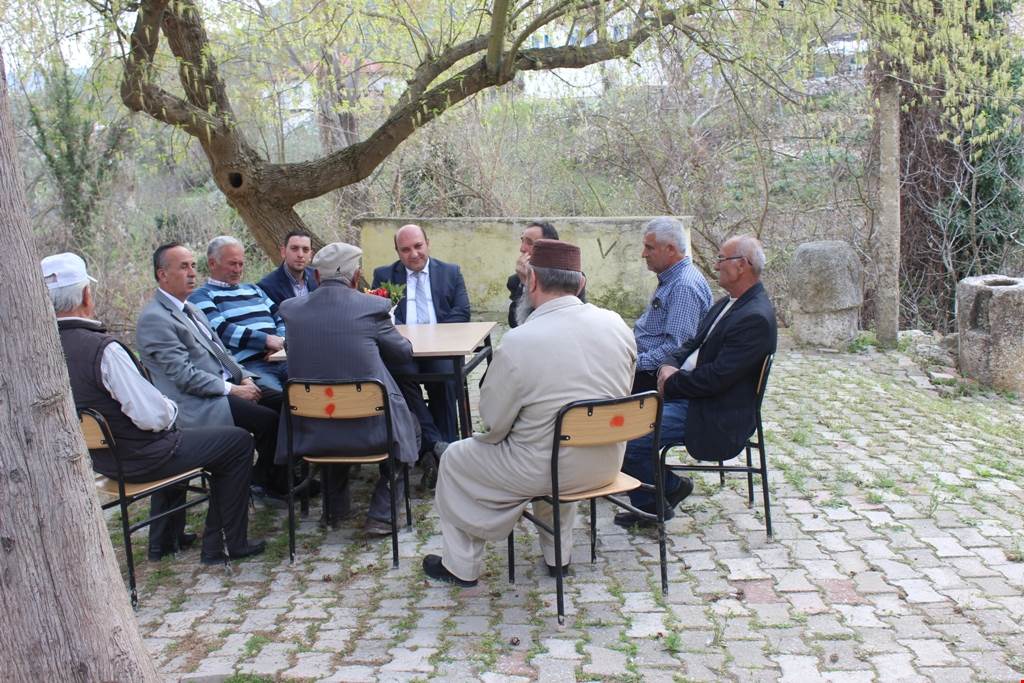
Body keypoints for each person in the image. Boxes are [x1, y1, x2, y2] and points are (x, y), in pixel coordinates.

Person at [422, 239, 636, 586]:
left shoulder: (521, 341)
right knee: (553, 441)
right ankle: (558, 557)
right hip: (605, 462)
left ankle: (460, 567)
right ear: (580, 284)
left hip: (545, 468)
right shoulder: (616, 325)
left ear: (531, 281)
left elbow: (492, 419)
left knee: (456, 458)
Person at [42, 252, 263, 564]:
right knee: (237, 442)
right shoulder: (103, 349)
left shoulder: (41, 349)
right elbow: (152, 417)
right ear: (86, 295)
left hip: (102, 458)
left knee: (186, 435)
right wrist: (171, 408)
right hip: (140, 457)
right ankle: (224, 544)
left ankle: (164, 542)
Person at [615, 235, 778, 527]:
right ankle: (668, 488)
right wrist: (668, 365)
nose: (715, 266)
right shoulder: (729, 303)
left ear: (741, 266)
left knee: (627, 439)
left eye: (720, 259)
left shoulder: (755, 317)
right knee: (618, 420)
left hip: (711, 411)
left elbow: (717, 379)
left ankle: (655, 503)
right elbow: (689, 343)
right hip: (689, 393)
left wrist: (671, 384)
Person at [278, 242, 423, 535]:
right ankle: (382, 515)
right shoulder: (373, 307)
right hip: (371, 432)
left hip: (309, 431)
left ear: (316, 277)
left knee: (332, 416)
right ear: (356, 277)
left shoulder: (291, 311)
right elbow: (402, 354)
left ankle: (335, 509)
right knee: (411, 428)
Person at [136, 243, 287, 507]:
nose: (192, 273)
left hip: (225, 385)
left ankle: (276, 477)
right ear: (162, 274)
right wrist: (234, 390)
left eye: (193, 266)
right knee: (268, 420)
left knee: (287, 402)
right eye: (184, 267)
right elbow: (185, 377)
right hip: (197, 402)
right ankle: (265, 482)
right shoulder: (155, 318)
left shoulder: (189, 309)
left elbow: (221, 352)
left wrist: (244, 377)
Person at [371, 223, 470, 443]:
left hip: (441, 349)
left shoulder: (450, 272)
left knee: (444, 378)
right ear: (397, 252)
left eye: (418, 246)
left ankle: (444, 445)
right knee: (398, 375)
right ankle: (436, 444)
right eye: (406, 249)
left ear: (428, 244)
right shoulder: (384, 275)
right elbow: (379, 316)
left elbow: (462, 312)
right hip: (403, 350)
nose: (414, 254)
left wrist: (434, 337)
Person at [189, 236, 288, 393]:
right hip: (249, 365)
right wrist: (266, 341)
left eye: (241, 264)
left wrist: (281, 342)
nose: (237, 269)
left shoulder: (253, 289)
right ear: (212, 263)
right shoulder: (201, 296)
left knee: (315, 386)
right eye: (232, 264)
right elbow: (219, 330)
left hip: (281, 357)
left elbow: (281, 316)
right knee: (280, 398)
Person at [507, 221, 559, 328]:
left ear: (549, 248)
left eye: (530, 243)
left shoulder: (568, 279)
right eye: (522, 241)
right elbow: (515, 324)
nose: (522, 249)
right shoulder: (515, 281)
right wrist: (526, 284)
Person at [257, 229, 318, 305]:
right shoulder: (267, 286)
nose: (300, 255)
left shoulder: (319, 277)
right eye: (294, 249)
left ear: (311, 255)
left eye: (305, 250)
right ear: (283, 252)